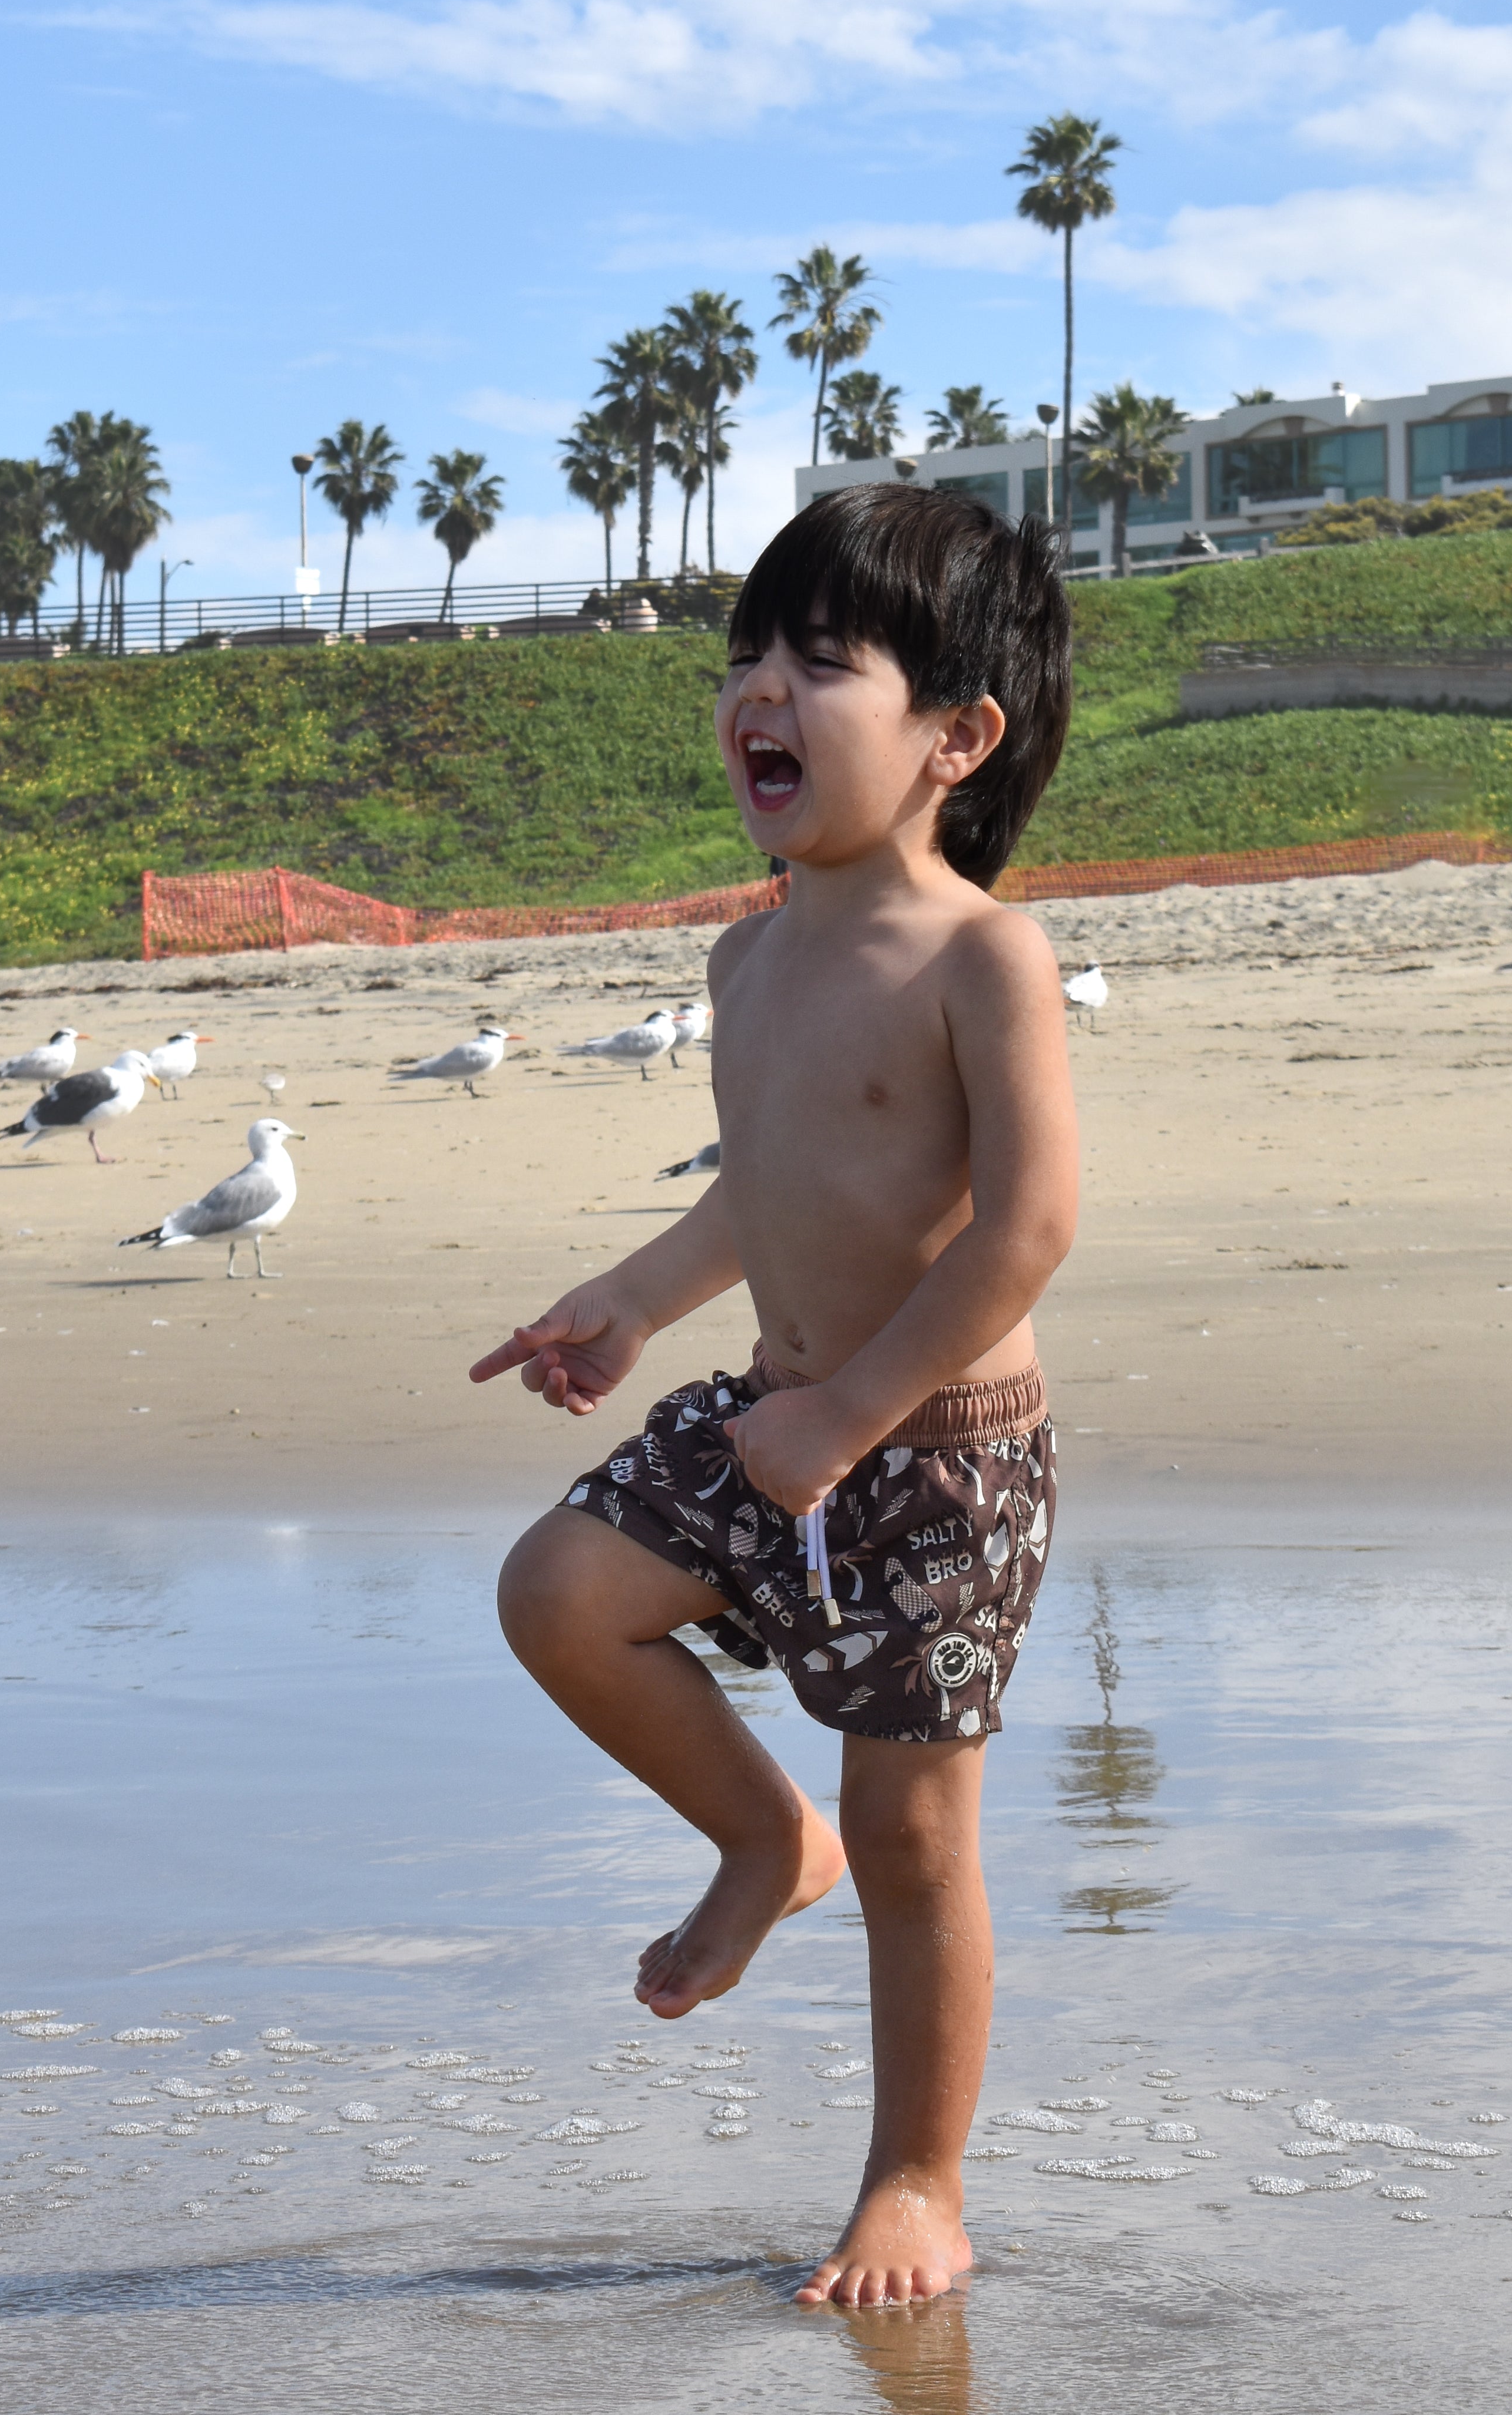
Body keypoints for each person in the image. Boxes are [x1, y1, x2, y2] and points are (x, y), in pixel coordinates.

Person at [472, 485, 1079, 2310]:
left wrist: (857, 1409)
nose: (761, 691)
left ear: (953, 739)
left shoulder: (983, 955)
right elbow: (767, 1184)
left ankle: (915, 2179)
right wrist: (637, 1299)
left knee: (916, 1836)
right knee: (559, 1595)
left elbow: (1026, 1227)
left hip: (939, 1457)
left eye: (822, 663)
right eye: (748, 655)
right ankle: (759, 1838)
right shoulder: (748, 954)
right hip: (773, 1416)